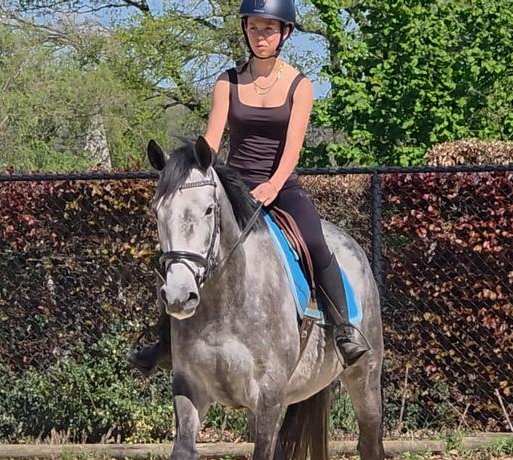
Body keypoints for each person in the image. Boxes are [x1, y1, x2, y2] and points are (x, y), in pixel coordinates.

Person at [127, 0, 369, 375]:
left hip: (281, 185)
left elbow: (293, 148)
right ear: (245, 30)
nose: (261, 36)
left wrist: (273, 185)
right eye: (254, 28)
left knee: (316, 242)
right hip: (234, 182)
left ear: (285, 33)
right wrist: (191, 169)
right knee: (187, 249)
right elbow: (211, 138)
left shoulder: (299, 85)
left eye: (268, 29)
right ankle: (165, 342)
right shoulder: (227, 81)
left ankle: (344, 329)